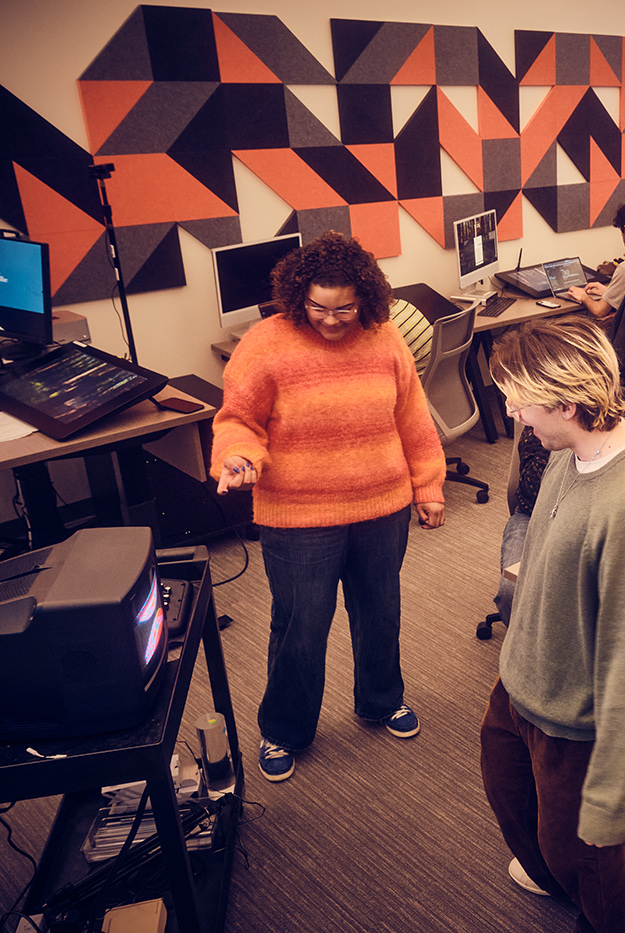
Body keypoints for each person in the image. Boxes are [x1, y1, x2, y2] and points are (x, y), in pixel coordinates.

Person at [212, 231, 446, 784]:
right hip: (298, 516)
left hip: (381, 506)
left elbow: (413, 417)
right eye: (318, 306)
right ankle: (284, 729)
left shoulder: (385, 338)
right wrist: (240, 456)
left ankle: (381, 700)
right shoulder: (265, 343)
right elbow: (237, 420)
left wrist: (428, 486)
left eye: (345, 307)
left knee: (380, 611)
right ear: (298, 295)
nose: (332, 319)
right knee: (300, 626)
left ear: (365, 296)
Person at [480, 317, 625, 933]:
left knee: (585, 857)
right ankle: (554, 874)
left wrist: (609, 799)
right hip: (519, 681)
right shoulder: (568, 452)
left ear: (568, 402)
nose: (512, 413)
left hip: (572, 718)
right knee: (511, 800)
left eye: (519, 398)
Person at [492, 387, 625, 626]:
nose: (510, 412)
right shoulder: (542, 435)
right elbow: (535, 493)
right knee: (513, 592)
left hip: (601, 517)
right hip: (535, 513)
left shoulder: (617, 428)